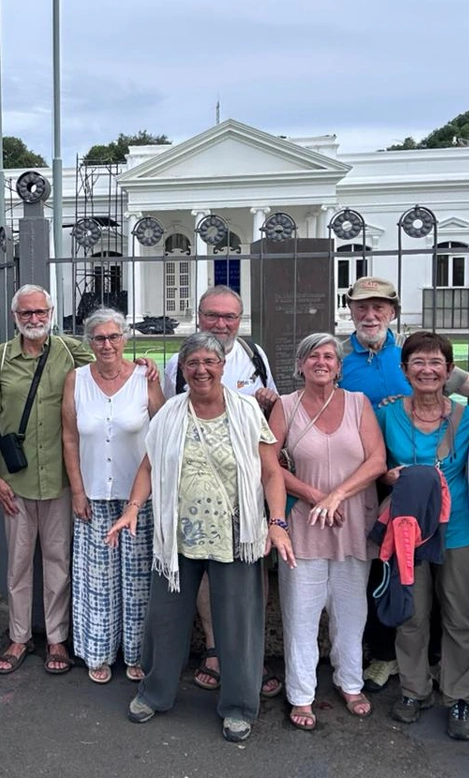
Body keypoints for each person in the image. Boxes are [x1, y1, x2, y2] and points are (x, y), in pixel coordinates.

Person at [108, 332, 295, 744]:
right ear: (184, 368)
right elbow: (148, 467)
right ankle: (154, 694)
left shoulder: (247, 411)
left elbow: (270, 473)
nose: (201, 369)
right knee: (165, 619)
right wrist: (133, 509)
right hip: (177, 536)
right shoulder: (171, 413)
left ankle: (239, 707)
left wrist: (277, 524)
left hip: (236, 536)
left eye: (210, 361)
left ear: (223, 366)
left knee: (239, 625)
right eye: (193, 362)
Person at [339, 275, 469, 693]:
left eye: (379, 307)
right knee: (387, 577)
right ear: (350, 309)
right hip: (375, 478)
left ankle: (441, 666)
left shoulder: (413, 354)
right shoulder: (337, 356)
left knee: (444, 589)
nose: (370, 315)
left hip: (429, 483)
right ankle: (388, 658)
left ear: (392, 311)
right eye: (362, 307)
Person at [162, 285, 282, 698]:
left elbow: (271, 427)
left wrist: (266, 403)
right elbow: (164, 426)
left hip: (245, 495)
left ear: (240, 319)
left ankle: (249, 656)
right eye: (212, 315)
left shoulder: (255, 357)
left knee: (250, 583)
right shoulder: (176, 365)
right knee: (205, 577)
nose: (221, 324)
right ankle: (214, 649)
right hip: (195, 500)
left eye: (229, 317)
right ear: (199, 316)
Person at [0, 285, 95, 677]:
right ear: (15, 317)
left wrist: (142, 368)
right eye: (25, 313)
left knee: (59, 561)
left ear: (51, 312)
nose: (33, 319)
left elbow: (110, 367)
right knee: (18, 564)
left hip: (60, 478)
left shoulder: (69, 352)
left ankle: (57, 637)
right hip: (16, 481)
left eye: (39, 312)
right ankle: (20, 637)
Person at [274, 332, 386, 731]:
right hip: (304, 524)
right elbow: (270, 465)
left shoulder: (358, 404)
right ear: (301, 364)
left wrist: (337, 496)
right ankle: (301, 694)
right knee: (301, 615)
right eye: (313, 356)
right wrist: (315, 496)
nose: (321, 362)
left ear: (339, 366)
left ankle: (350, 682)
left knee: (351, 611)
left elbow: (376, 461)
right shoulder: (286, 406)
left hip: (351, 520)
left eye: (329, 356)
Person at [377, 331, 469, 740]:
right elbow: (372, 462)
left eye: (436, 362)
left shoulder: (466, 416)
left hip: (457, 531)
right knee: (412, 613)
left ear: (449, 371)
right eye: (418, 362)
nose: (427, 370)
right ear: (404, 370)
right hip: (407, 532)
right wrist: (386, 474)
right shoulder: (386, 414)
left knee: (458, 616)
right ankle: (413, 690)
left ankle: (459, 695)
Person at [63, 308, 165, 685]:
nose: (107, 345)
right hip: (93, 494)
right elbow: (70, 436)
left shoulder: (144, 376)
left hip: (138, 495)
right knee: (98, 581)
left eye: (114, 337)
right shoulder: (76, 380)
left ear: (125, 338)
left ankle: (137, 654)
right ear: (89, 343)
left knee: (138, 581)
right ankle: (99, 652)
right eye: (99, 338)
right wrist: (76, 490)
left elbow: (163, 427)